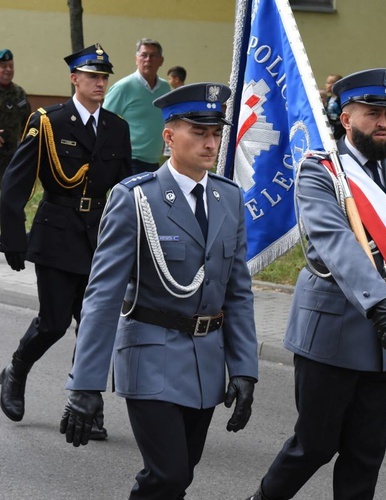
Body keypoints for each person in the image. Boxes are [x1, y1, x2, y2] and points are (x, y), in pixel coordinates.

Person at [59, 82, 259, 499]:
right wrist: (85, 383)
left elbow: (237, 292)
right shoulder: (136, 198)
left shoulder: (229, 199)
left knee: (180, 475)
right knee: (166, 474)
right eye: (198, 132)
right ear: (169, 137)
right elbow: (102, 294)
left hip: (207, 363)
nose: (210, 142)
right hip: (151, 355)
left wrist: (244, 369)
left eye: (215, 133)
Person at [247, 68, 386, 500]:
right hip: (331, 336)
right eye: (373, 113)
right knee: (313, 446)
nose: (384, 122)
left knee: (365, 457)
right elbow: (334, 244)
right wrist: (379, 302)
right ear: (346, 117)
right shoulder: (320, 171)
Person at [0, 44, 131, 440]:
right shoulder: (49, 122)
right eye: (92, 76)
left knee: (94, 325)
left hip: (101, 240)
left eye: (104, 77)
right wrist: (12, 237)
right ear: (75, 79)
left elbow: (126, 190)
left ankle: (85, 404)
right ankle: (16, 370)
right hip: (57, 234)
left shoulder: (116, 127)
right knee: (54, 323)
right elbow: (14, 185)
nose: (100, 83)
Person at [104, 38, 170, 175]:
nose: (148, 59)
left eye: (153, 56)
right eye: (144, 55)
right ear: (136, 59)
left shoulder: (165, 88)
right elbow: (104, 121)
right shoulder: (123, 87)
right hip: (129, 160)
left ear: (161, 61)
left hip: (154, 160)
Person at [0, 49, 31, 181]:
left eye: (11, 66)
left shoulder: (19, 93)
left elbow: (28, 122)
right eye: (3, 66)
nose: (8, 69)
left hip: (12, 157)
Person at [324, 73, 344, 139]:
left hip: (340, 128)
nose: (326, 85)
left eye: (328, 83)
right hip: (331, 126)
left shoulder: (341, 99)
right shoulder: (329, 99)